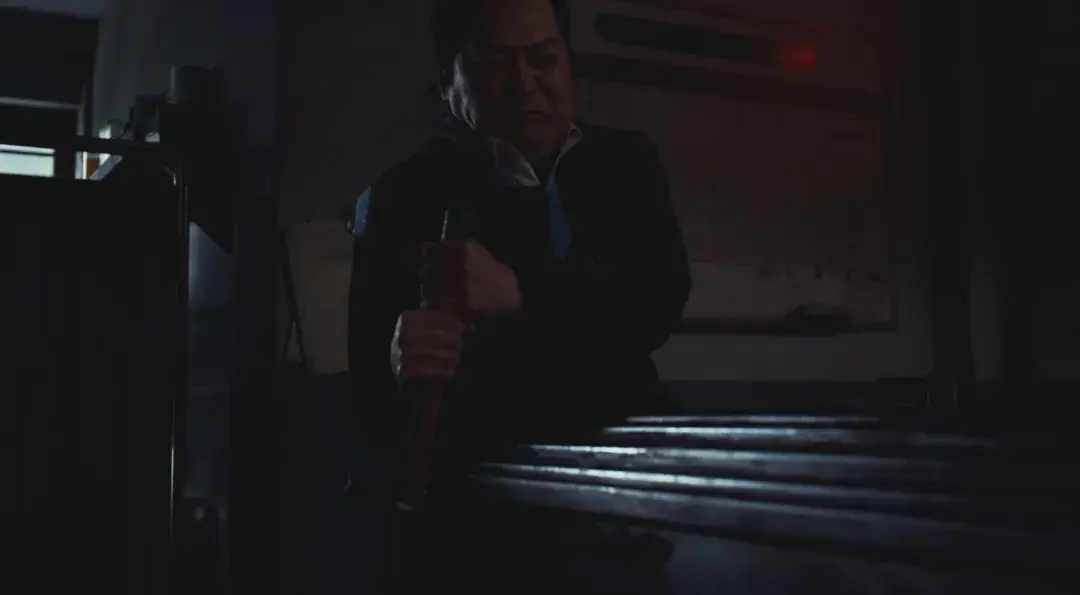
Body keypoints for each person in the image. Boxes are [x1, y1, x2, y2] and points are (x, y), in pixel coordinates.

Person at [348, 0, 689, 588]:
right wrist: (396, 358)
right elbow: (369, 387)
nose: (526, 84)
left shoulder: (626, 164)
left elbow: (655, 300)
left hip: (621, 504)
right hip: (479, 527)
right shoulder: (400, 197)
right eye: (495, 64)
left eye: (543, 59)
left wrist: (520, 292)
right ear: (448, 84)